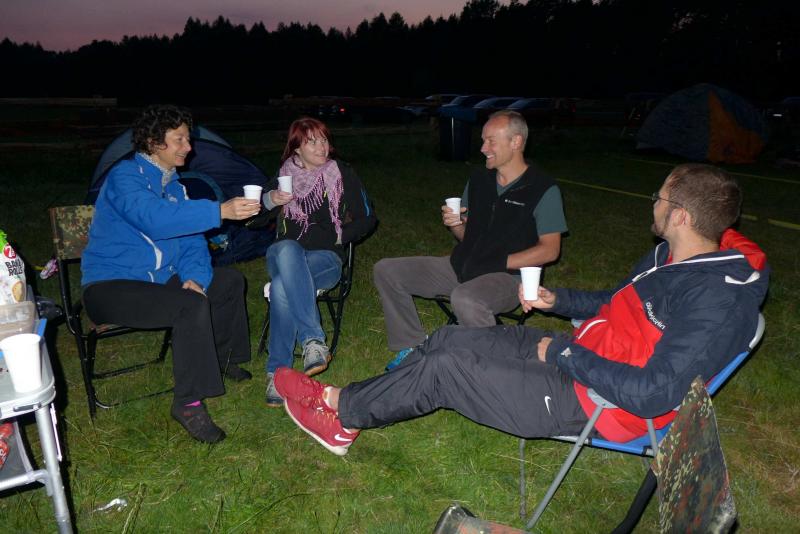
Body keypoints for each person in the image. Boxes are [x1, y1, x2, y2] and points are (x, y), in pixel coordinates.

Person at [273, 163, 769, 456]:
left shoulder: (718, 301)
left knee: (445, 370)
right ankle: (351, 400)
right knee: (446, 338)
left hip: (597, 403)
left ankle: (340, 415)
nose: (652, 203)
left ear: (680, 216)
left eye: (658, 197)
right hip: (582, 354)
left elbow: (653, 393)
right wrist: (560, 301)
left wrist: (564, 355)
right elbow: (616, 302)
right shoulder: (669, 257)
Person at [81, 105, 260, 443]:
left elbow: (193, 244)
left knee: (228, 282)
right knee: (188, 306)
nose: (188, 147)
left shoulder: (176, 188)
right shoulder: (124, 178)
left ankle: (223, 359)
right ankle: (188, 404)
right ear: (153, 142)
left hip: (160, 280)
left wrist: (196, 278)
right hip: (110, 285)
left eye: (188, 139)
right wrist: (219, 210)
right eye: (179, 139)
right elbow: (154, 219)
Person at [373, 110, 567, 370]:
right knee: (387, 270)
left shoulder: (542, 188)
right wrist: (456, 224)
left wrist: (499, 261)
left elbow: (550, 250)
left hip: (509, 278)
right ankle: (411, 349)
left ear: (516, 141)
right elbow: (467, 236)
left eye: (491, 141)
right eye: (483, 140)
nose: (483, 148)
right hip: (464, 265)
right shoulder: (479, 180)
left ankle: (495, 368)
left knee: (466, 298)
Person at [261, 117, 376, 407]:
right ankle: (313, 340)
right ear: (296, 148)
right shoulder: (283, 176)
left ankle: (277, 374)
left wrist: (339, 237)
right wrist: (271, 199)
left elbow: (368, 218)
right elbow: (252, 219)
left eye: (323, 139)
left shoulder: (342, 173)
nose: (321, 147)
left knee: (281, 287)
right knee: (288, 248)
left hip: (324, 260)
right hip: (281, 255)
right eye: (311, 142)